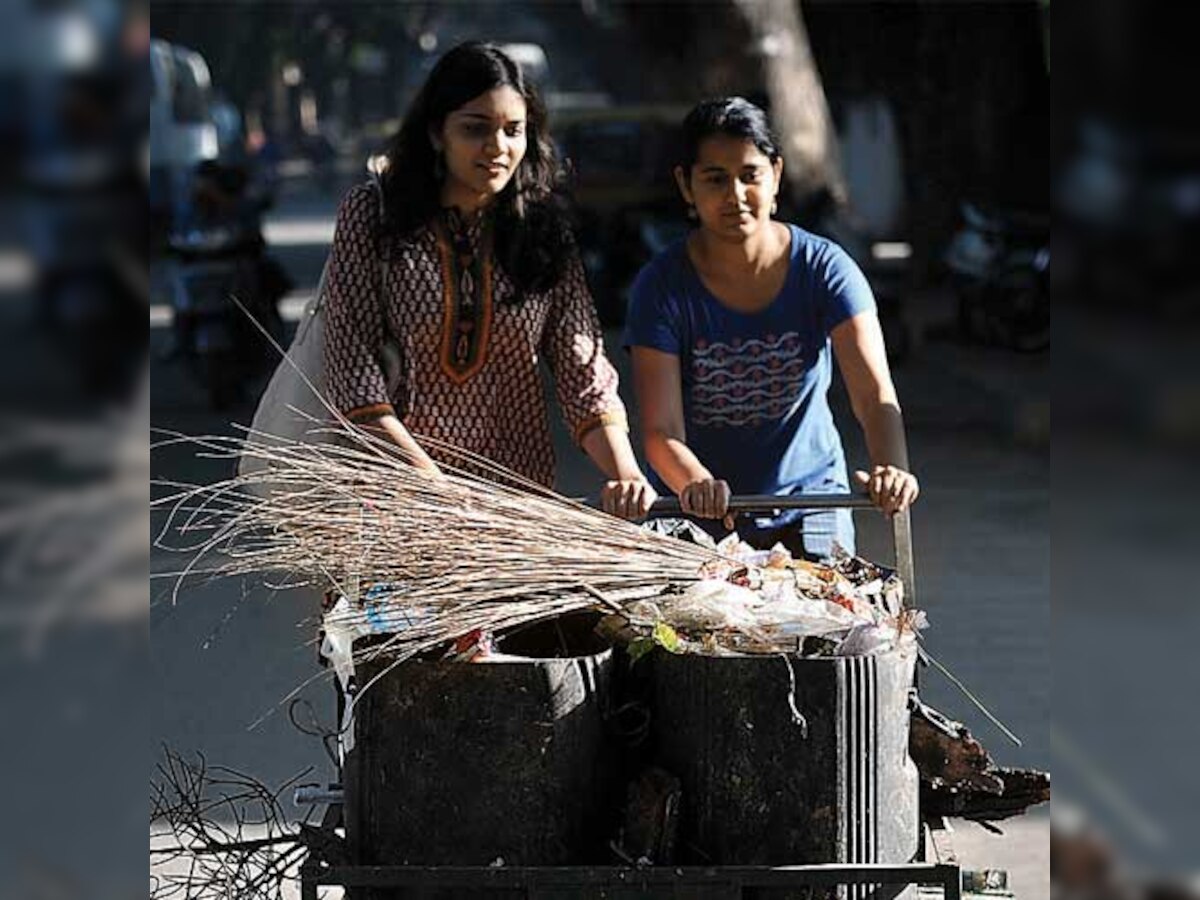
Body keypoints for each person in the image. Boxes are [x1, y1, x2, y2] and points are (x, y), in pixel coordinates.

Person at [323, 42, 655, 519]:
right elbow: (354, 377)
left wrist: (626, 473)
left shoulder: (543, 229)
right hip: (398, 507)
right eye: (476, 129)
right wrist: (435, 489)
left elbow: (583, 370)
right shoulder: (372, 215)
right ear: (437, 133)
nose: (498, 148)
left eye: (513, 131)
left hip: (516, 509)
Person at [623, 97, 918, 558]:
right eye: (715, 179)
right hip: (696, 505)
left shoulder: (825, 268)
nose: (735, 195)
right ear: (686, 186)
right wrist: (697, 485)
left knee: (832, 619)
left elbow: (873, 395)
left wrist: (891, 469)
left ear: (776, 175)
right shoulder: (660, 288)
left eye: (749, 175)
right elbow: (662, 430)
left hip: (811, 497)